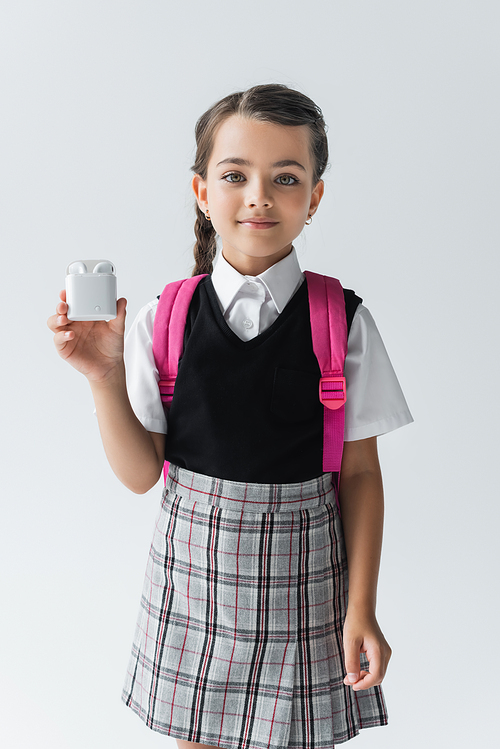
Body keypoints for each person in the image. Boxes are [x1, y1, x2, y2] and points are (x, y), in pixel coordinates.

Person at [47, 83, 413, 749]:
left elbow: (360, 474)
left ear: (315, 197)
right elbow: (140, 475)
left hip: (305, 584)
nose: (259, 195)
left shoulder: (342, 319)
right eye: (235, 174)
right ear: (201, 191)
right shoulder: (167, 316)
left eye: (286, 177)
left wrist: (361, 607)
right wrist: (103, 378)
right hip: (193, 586)